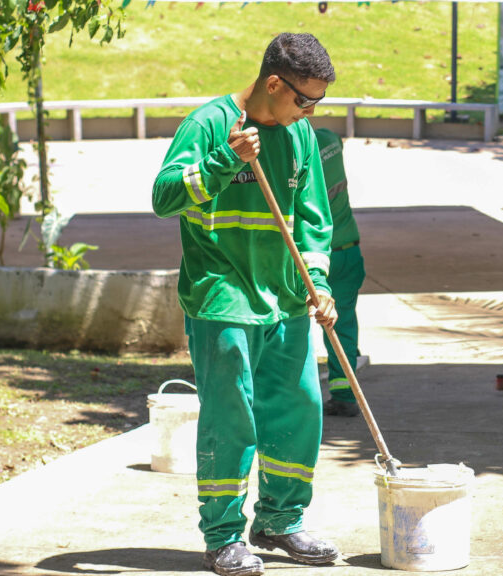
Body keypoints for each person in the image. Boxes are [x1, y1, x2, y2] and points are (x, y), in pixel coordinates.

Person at [152, 33, 340, 576]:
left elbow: (313, 221)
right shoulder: (210, 124)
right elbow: (164, 197)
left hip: (283, 297)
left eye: (317, 103)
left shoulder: (299, 135)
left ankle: (280, 521)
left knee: (299, 406)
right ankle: (223, 536)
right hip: (222, 294)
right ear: (274, 84)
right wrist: (219, 162)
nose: (310, 111)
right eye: (305, 99)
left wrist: (319, 284)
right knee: (231, 416)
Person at [313, 127, 366, 418]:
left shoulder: (295, 151)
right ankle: (346, 391)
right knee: (342, 326)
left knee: (288, 328)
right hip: (349, 249)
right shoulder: (329, 140)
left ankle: (341, 395)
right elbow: (336, 139)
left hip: (319, 257)